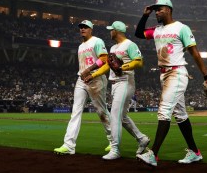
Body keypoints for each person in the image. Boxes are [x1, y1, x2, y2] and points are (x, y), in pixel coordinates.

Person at [134, 0, 207, 166]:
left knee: (164, 111)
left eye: (160, 9)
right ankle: (195, 152)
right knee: (180, 115)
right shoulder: (156, 30)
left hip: (177, 73)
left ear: (169, 10)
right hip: (164, 75)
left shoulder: (182, 28)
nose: (157, 12)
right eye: (155, 9)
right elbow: (138, 33)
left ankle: (153, 155)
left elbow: (194, 52)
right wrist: (145, 15)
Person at [83, 21, 150, 160]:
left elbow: (139, 61)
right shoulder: (113, 47)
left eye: (111, 30)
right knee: (122, 117)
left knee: (114, 115)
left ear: (117, 31)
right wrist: (93, 75)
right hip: (115, 83)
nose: (110, 32)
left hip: (125, 82)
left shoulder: (130, 44)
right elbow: (107, 66)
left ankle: (115, 149)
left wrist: (122, 68)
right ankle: (141, 138)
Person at [54, 20, 113, 155]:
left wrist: (89, 70)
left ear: (91, 29)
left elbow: (104, 59)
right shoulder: (81, 46)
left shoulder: (97, 41)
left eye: (85, 27)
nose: (82, 29)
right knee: (75, 111)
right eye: (81, 27)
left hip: (96, 79)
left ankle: (113, 140)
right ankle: (69, 145)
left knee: (101, 111)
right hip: (82, 80)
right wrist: (84, 72)